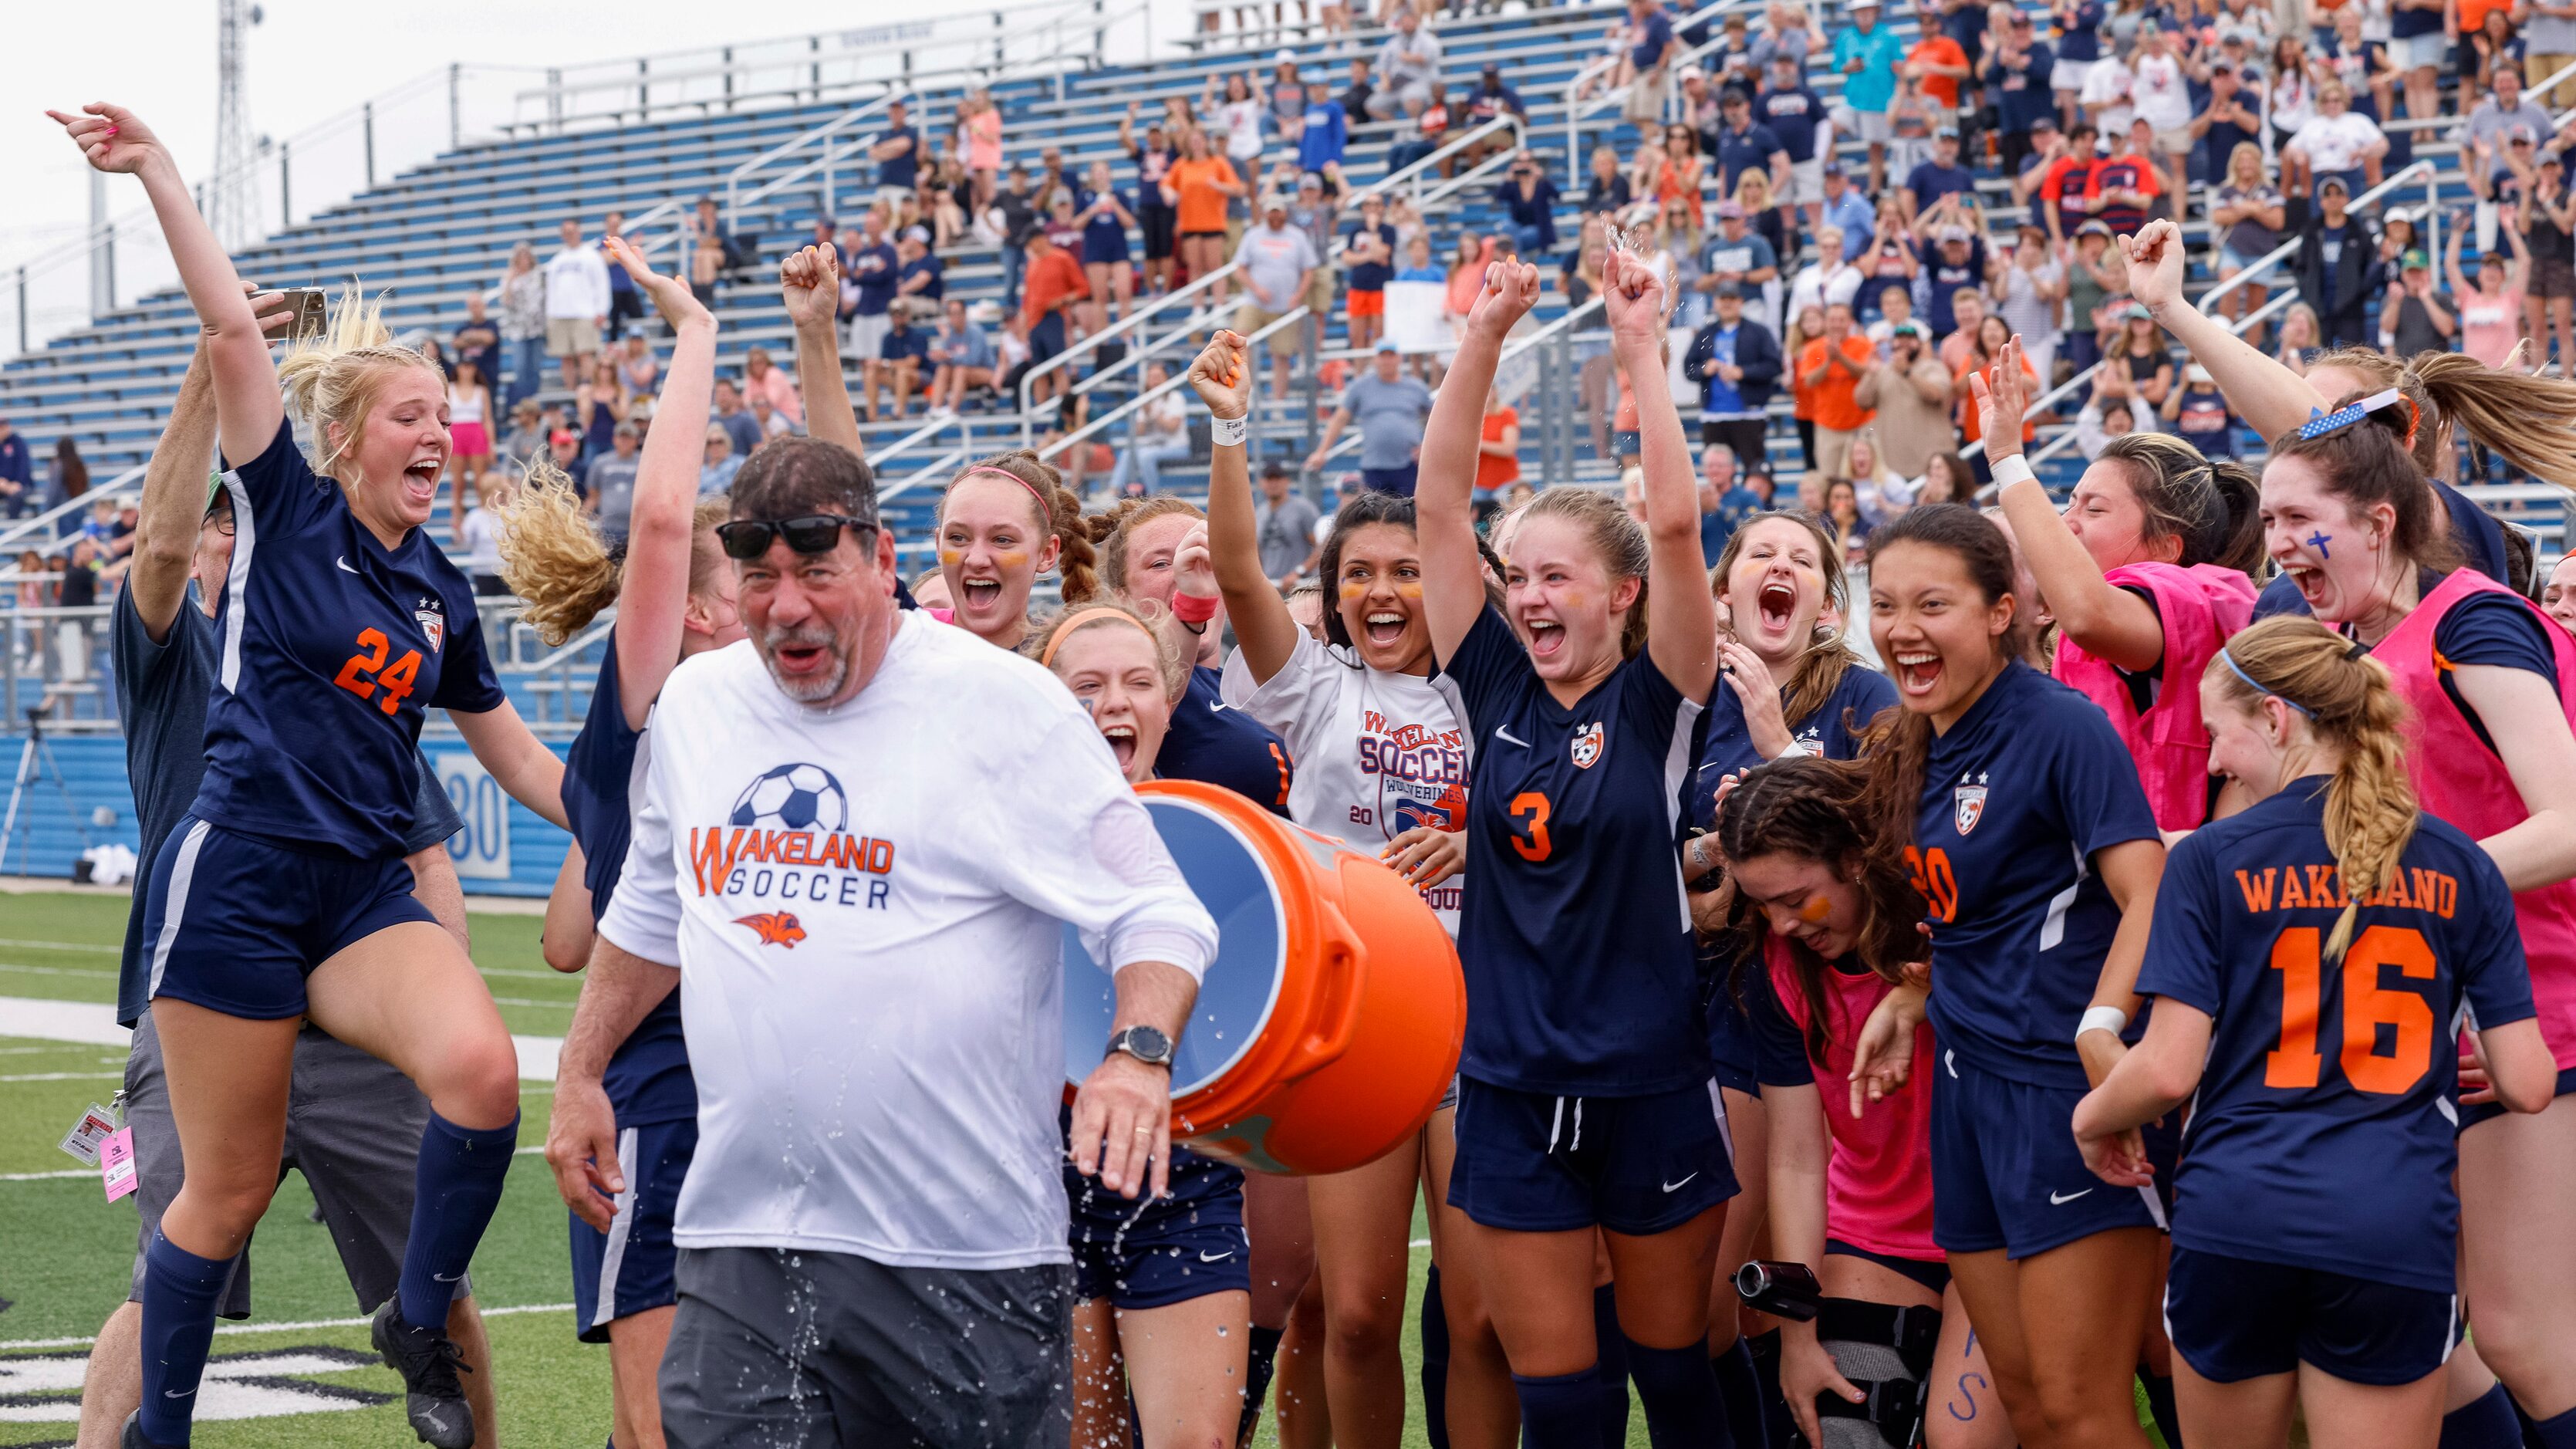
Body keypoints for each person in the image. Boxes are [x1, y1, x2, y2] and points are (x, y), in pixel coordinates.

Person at [52, 100, 574, 1449]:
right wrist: (160, 171)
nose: (436, 432)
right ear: (349, 443)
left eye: (445, 416)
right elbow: (231, 335)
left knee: (478, 1071)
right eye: (410, 412)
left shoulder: (435, 588)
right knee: (213, 1202)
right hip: (236, 882)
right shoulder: (283, 509)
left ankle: (415, 1315)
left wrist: (627, 805)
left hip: (352, 897)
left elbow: (509, 746)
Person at [545, 431, 1217, 1446]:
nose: (786, 605)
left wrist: (1135, 1057)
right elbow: (649, 908)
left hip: (963, 1255)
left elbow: (1157, 911)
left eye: (817, 571)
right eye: (762, 577)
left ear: (883, 560)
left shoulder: (1008, 708)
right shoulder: (698, 704)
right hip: (743, 1241)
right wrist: (581, 1069)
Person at [2072, 616, 2557, 1449]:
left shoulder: (2211, 858)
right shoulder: (2460, 862)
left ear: (2276, 718)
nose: (2215, 761)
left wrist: (2090, 1120)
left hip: (2237, 1215)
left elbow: (2166, 1070)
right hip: (2392, 1222)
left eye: (2219, 735)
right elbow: (2529, 1083)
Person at [1416, 245, 1740, 1449]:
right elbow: (1439, 508)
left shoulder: (1660, 693)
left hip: (1647, 1076)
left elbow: (1669, 518)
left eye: (1559, 576)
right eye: (1520, 578)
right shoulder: (1493, 678)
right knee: (1561, 1398)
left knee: (1676, 1372)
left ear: (1618, 596)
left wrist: (1638, 349)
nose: (1531, 595)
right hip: (1508, 1083)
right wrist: (1484, 335)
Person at [1840, 502, 2169, 1449]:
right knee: (2025, 1404)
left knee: (2081, 1407)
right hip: (1966, 1086)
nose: (1902, 629)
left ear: (2000, 610)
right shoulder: (1917, 739)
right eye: (1887, 603)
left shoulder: (2062, 728)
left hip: (2062, 1097)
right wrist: (1915, 994)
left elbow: (2148, 893)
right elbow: (1982, 913)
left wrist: (2103, 1028)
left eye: (1932, 604)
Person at [498, 244, 738, 1449]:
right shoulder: (652, 697)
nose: (783, 593)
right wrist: (693, 335)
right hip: (655, 1090)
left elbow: (560, 935)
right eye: (752, 575)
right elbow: (659, 519)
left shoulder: (748, 719)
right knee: (659, 1421)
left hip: (761, 1081)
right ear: (694, 607)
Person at [1704, 755, 2014, 1449]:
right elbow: (1793, 1158)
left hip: (1998, 1222)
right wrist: (1796, 1331)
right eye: (1764, 905)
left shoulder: (1945, 915)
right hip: (1875, 1231)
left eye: (1796, 898)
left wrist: (1924, 990)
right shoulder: (1779, 968)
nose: (1782, 924)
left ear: (1852, 861)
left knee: (1959, 1440)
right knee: (1843, 1434)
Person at [1974, 341, 2262, 833]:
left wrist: (2006, 459)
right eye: (2072, 502)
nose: (2068, 523)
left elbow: (2089, 615)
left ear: (2168, 548)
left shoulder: (2189, 595)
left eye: (2095, 509)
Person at [1307, 343, 1436, 495]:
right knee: (1375, 515)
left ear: (1399, 358)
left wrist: (1429, 448)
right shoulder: (1361, 387)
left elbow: (1437, 418)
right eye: (1383, 356)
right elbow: (1340, 418)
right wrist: (1322, 451)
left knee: (1411, 514)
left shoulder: (1416, 387)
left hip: (1409, 464)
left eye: (1391, 355)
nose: (1387, 360)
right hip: (1374, 465)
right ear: (1375, 359)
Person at [1685, 283, 1783, 471]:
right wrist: (1705, 369)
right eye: (1723, 299)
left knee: (1754, 470)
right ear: (1715, 303)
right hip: (1714, 414)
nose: (1727, 304)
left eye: (1732, 300)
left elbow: (1773, 366)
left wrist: (1743, 372)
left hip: (1749, 413)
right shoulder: (1706, 334)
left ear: (1741, 302)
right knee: (1716, 472)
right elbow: (1689, 367)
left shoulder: (1758, 332)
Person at [1234, 194, 1323, 399]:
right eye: (1271, 211)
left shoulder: (1297, 236)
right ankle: (1250, 390)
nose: (1275, 216)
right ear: (1266, 213)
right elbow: (1239, 269)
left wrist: (1298, 295)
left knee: (1282, 355)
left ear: (1285, 213)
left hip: (1285, 306)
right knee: (1240, 340)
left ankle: (1278, 402)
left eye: (1278, 211)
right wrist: (1257, 289)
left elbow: (1309, 269)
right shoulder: (1254, 235)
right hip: (1256, 301)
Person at [1855, 322, 1954, 479]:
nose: (1904, 342)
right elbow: (1862, 402)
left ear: (1920, 344)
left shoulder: (1934, 367)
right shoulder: (1881, 371)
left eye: (1910, 338)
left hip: (1930, 465)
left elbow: (1936, 394)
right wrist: (1870, 374)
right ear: (1891, 344)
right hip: (1892, 466)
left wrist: (1907, 372)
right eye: (1899, 339)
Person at [1164, 128, 1245, 309]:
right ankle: (1198, 307)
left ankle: (1218, 305)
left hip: (1213, 222)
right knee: (1195, 268)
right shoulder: (1182, 164)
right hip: (1190, 223)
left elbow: (1238, 189)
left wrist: (1217, 186)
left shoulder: (1217, 162)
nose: (1197, 144)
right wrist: (1168, 193)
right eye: (1193, 141)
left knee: (1215, 266)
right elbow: (1167, 184)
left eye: (1199, 140)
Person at [1833, 0, 1909, 192]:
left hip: (1879, 101)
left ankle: (1874, 192)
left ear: (1875, 11)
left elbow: (1899, 63)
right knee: (1827, 130)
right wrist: (1847, 67)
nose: (1864, 14)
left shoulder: (1888, 35)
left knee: (1876, 148)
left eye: (1867, 9)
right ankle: (1835, 182)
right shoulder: (1846, 36)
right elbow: (1836, 64)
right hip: (1852, 99)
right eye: (1860, 11)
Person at [1799, 301, 1877, 479]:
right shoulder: (1814, 348)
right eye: (1832, 320)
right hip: (1828, 425)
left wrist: (1840, 358)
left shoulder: (1863, 344)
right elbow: (1809, 381)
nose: (1836, 324)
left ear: (1850, 322)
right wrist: (1828, 361)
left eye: (1841, 320)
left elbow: (1868, 373)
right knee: (1829, 477)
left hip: (1862, 423)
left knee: (1867, 476)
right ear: (1826, 322)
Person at [2449, 225, 2531, 371]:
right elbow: (2450, 265)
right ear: (2479, 275)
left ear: (2504, 277)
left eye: (2497, 268)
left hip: (2507, 375)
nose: (2491, 271)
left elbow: (2525, 261)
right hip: (2476, 375)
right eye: (2487, 266)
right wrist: (2458, 231)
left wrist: (2510, 229)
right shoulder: (2468, 299)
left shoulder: (2511, 300)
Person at [544, 218, 613, 393]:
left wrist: (602, 310)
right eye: (566, 232)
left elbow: (602, 283)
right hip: (559, 314)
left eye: (572, 231)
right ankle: (570, 391)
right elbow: (551, 290)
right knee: (565, 356)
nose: (570, 235)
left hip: (584, 313)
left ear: (579, 232)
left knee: (585, 353)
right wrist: (549, 315)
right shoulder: (557, 260)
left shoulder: (591, 256)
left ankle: (587, 388)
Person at [498, 241, 548, 410]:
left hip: (536, 328)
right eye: (520, 256)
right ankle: (523, 403)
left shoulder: (538, 275)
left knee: (534, 369)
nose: (524, 259)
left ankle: (532, 402)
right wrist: (510, 282)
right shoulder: (509, 277)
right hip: (518, 330)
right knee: (520, 369)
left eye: (526, 256)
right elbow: (506, 302)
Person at [927, 296, 998, 416]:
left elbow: (974, 361)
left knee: (960, 369)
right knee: (943, 369)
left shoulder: (975, 332)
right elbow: (946, 358)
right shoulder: (950, 334)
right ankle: (935, 409)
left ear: (964, 314)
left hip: (986, 372)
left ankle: (952, 409)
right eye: (951, 314)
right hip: (962, 374)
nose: (954, 318)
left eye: (957, 313)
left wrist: (949, 356)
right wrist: (940, 355)